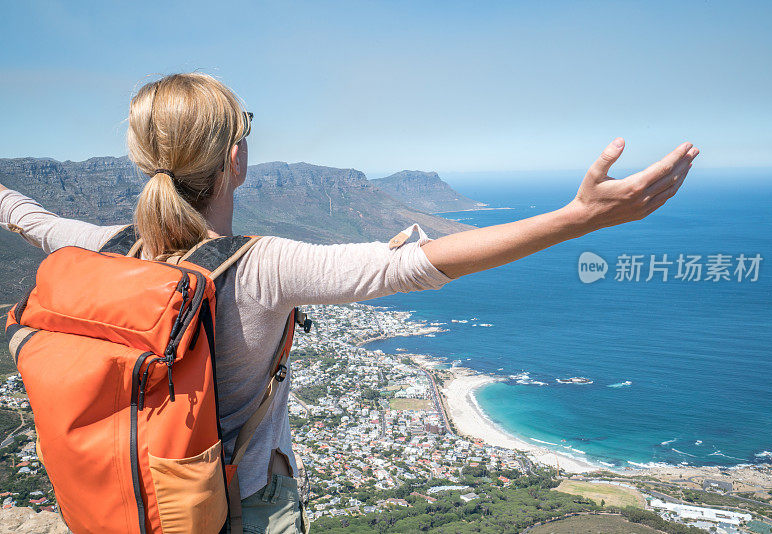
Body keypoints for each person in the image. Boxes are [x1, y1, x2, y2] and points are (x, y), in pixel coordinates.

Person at [0, 72, 699, 533]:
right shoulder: (262, 266)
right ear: (235, 158)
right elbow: (421, 267)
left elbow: (27, 217)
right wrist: (581, 219)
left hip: (126, 487)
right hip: (241, 506)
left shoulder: (101, 245)